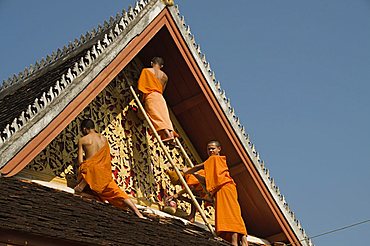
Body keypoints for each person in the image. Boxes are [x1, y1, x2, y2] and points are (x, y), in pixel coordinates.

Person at [74, 119, 144, 218]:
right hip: (104, 174)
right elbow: (106, 159)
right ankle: (138, 213)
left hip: (90, 172)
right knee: (119, 193)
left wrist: (81, 174)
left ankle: (93, 195)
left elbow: (80, 161)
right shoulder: (104, 139)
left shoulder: (83, 140)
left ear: (85, 129)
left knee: (78, 191)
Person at [184, 140, 248, 246]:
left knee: (230, 213)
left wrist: (187, 171)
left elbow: (199, 167)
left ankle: (235, 240)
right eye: (208, 149)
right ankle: (242, 238)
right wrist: (194, 174)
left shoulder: (214, 159)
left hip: (225, 188)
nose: (210, 151)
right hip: (223, 189)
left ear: (219, 149)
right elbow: (205, 181)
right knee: (233, 213)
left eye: (213, 148)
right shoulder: (212, 165)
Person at [137, 57, 176, 146]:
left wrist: (140, 100)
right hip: (160, 98)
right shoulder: (165, 77)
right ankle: (171, 135)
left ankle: (166, 134)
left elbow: (141, 87)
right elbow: (162, 89)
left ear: (151, 63)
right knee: (164, 117)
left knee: (156, 116)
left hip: (151, 96)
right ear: (161, 66)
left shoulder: (147, 71)